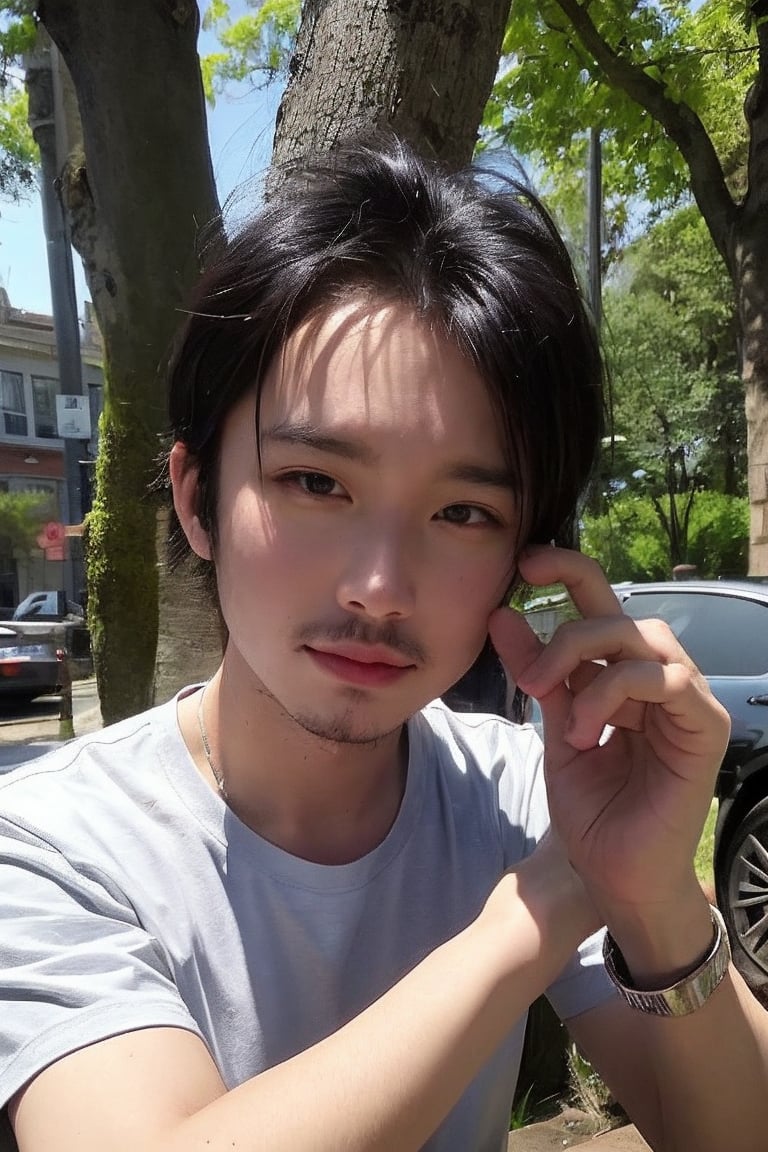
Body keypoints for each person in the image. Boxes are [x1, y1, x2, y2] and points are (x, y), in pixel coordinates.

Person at [1, 135, 766, 1152]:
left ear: (527, 559)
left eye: (462, 513)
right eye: (317, 483)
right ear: (196, 500)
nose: (380, 590)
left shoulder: (533, 794)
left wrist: (659, 897)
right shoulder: (52, 844)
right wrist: (536, 909)